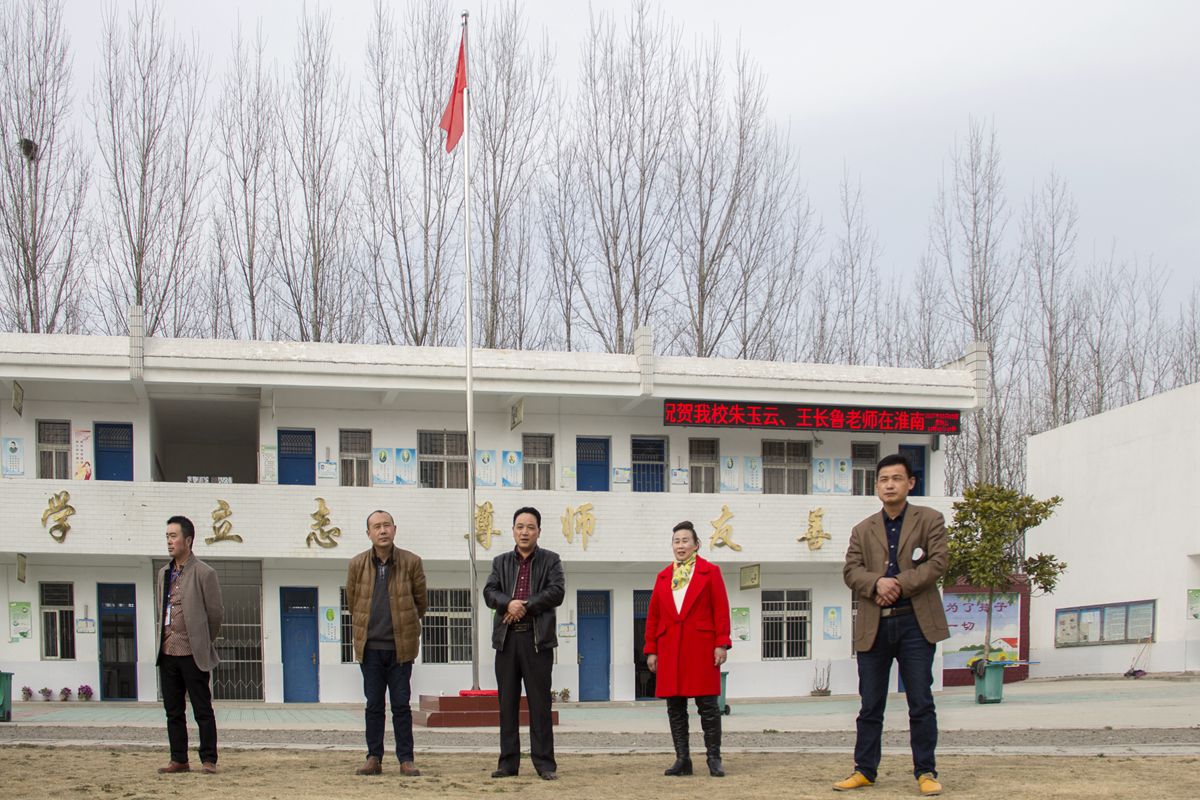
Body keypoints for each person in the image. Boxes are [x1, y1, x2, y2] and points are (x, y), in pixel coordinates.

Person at [836, 454, 950, 796]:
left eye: (896, 478)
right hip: (875, 626)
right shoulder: (862, 529)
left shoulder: (929, 520)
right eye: (883, 479)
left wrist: (897, 583)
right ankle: (864, 770)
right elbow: (851, 571)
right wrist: (876, 583)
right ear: (876, 486)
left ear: (910, 483)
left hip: (916, 623)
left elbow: (938, 562)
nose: (889, 485)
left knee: (921, 701)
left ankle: (925, 771)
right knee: (870, 704)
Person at [644, 521, 732, 778]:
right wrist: (652, 649)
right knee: (675, 707)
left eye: (685, 541)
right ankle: (683, 759)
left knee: (708, 706)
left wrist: (721, 643)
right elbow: (654, 616)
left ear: (696, 545)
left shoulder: (710, 572)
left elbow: (720, 609)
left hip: (701, 648)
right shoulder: (663, 576)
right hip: (670, 648)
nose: (680, 545)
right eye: (676, 541)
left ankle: (714, 759)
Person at [483, 506, 565, 780]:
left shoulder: (551, 560)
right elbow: (489, 592)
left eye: (530, 527)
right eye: (520, 527)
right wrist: (508, 603)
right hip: (507, 641)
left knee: (540, 705)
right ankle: (508, 764)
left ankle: (545, 764)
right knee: (507, 704)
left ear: (538, 531)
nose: (525, 532)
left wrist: (525, 606)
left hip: (537, 640)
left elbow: (556, 592)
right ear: (513, 531)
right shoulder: (500, 562)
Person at [346, 510, 428, 776]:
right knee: (374, 705)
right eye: (376, 527)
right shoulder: (357, 564)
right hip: (370, 649)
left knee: (401, 705)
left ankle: (406, 759)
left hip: (400, 649)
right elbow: (353, 604)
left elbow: (421, 603)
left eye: (386, 525)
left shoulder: (411, 562)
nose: (382, 531)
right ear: (368, 533)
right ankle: (373, 758)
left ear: (394, 529)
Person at [155, 515, 224, 774]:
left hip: (193, 653)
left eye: (173, 536)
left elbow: (215, 614)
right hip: (167, 651)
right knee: (173, 710)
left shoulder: (204, 573)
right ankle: (179, 759)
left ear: (188, 540)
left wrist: (203, 641)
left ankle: (208, 759)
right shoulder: (163, 573)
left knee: (202, 709)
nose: (169, 541)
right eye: (167, 536)